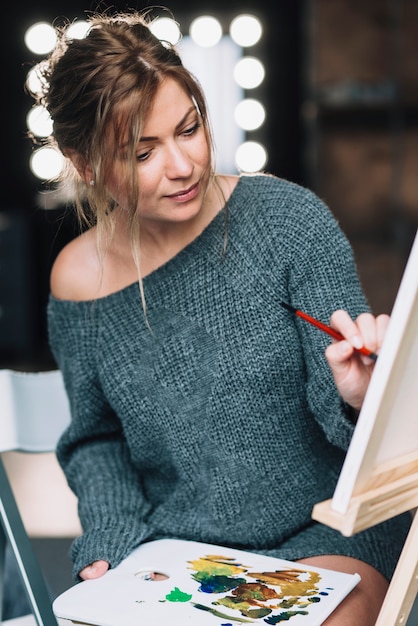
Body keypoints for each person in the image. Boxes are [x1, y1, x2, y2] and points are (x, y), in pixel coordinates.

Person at [30, 9, 411, 625]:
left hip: (327, 533)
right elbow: (96, 441)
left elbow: (364, 447)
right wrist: (109, 540)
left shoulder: (289, 222)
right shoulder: (77, 281)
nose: (181, 166)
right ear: (85, 164)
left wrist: (361, 400)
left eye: (189, 129)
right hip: (181, 556)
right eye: (143, 151)